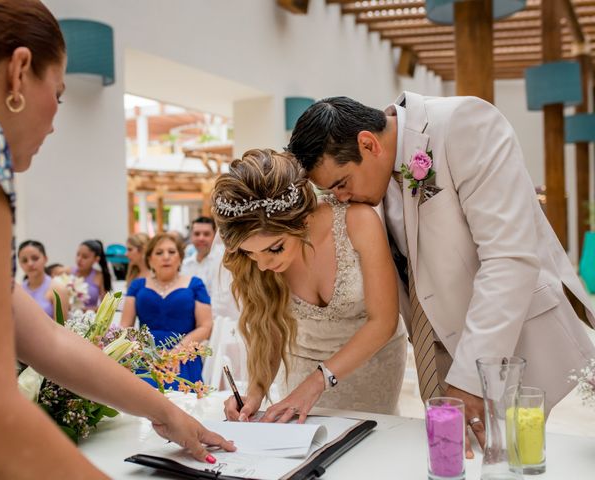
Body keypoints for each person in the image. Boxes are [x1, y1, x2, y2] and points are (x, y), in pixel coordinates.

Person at [0, 1, 233, 476]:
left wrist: (168, 414)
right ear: (19, 72)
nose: (54, 121)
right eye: (58, 95)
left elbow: (47, 340)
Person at [287, 93, 595, 456]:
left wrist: (469, 380)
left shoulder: (464, 125)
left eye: (341, 183)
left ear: (368, 144)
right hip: (437, 358)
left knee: (521, 461)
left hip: (513, 344)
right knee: (455, 462)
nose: (340, 197)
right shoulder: (366, 193)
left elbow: (509, 259)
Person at [212, 149, 406, 424]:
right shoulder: (256, 266)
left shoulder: (358, 222)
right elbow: (271, 330)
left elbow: (383, 321)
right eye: (250, 253)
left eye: (275, 248)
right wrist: (255, 391)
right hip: (299, 369)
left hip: (371, 360)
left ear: (303, 220)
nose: (264, 264)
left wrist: (317, 383)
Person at [121, 232, 213, 388]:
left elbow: (205, 326)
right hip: (144, 354)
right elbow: (125, 326)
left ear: (180, 258)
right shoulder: (137, 285)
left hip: (182, 353)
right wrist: (141, 351)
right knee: (137, 388)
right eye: (159, 252)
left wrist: (177, 351)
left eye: (171, 252)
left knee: (174, 385)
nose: (166, 257)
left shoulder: (195, 284)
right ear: (149, 259)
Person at [18, 240, 69, 321]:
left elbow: (62, 327)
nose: (30, 264)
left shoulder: (58, 289)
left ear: (45, 259)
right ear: (20, 264)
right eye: (24, 260)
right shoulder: (18, 290)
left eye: (35, 258)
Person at [181, 217, 222, 297]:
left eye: (206, 234)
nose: (201, 238)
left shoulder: (223, 263)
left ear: (214, 236)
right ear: (191, 236)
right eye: (197, 234)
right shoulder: (185, 264)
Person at [71, 239, 111, 310]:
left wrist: (83, 310)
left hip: (90, 318)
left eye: (85, 257)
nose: (79, 259)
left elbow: (105, 307)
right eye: (78, 255)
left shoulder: (99, 276)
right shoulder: (68, 272)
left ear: (96, 259)